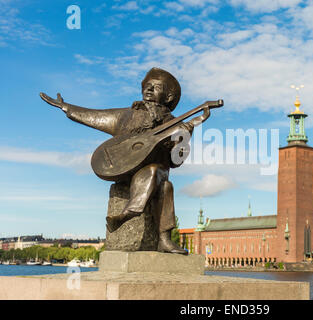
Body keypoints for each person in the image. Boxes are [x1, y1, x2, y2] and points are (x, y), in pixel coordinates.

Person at [41, 67, 209, 254]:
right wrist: (67, 107)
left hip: (157, 175)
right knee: (157, 175)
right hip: (124, 171)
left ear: (168, 97)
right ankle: (138, 218)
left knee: (164, 183)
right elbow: (95, 116)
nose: (149, 90)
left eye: (156, 87)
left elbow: (176, 161)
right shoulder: (128, 115)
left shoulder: (176, 125)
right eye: (146, 86)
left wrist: (184, 137)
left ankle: (161, 238)